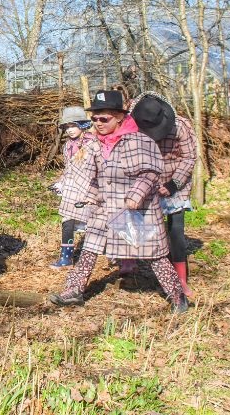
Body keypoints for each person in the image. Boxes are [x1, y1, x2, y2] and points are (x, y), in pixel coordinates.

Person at [48, 90, 188, 313]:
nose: (99, 123)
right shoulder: (95, 144)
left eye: (104, 118)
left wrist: (135, 195)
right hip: (105, 208)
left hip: (137, 211)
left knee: (155, 256)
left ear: (120, 117)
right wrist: (89, 197)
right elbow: (93, 175)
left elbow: (150, 173)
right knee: (89, 249)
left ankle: (177, 296)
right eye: (95, 118)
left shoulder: (138, 141)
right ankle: (73, 291)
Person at [131, 93, 196, 298]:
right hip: (150, 181)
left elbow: (190, 157)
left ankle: (181, 279)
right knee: (153, 231)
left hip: (176, 180)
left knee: (176, 230)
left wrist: (173, 184)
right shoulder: (136, 123)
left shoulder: (181, 127)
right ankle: (161, 272)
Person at [49, 106, 96, 269]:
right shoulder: (67, 146)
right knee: (67, 221)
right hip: (70, 189)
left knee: (94, 224)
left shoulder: (92, 143)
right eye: (67, 127)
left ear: (82, 124)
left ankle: (102, 255)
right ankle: (66, 257)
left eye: (73, 125)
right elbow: (67, 168)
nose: (70, 130)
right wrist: (60, 183)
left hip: (89, 189)